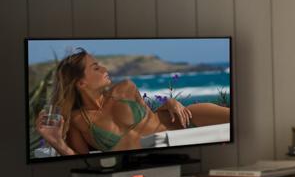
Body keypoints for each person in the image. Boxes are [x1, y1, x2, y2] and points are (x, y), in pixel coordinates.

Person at [33, 49, 230, 156]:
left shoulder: (125, 88)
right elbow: (82, 162)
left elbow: (150, 116)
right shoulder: (78, 120)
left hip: (189, 120)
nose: (104, 68)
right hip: (156, 161)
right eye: (95, 68)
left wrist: (170, 102)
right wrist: (56, 141)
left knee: (243, 120)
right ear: (81, 82)